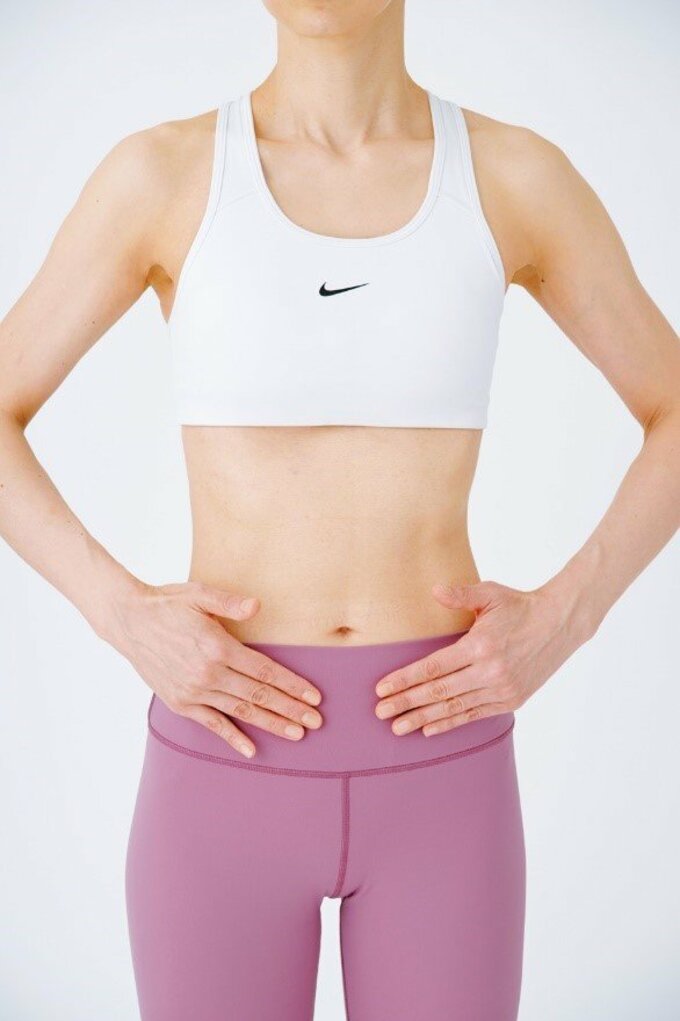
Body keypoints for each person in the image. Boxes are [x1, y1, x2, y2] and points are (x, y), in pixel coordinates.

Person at [1, 2, 678, 1019]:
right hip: (224, 754)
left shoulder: (511, 176)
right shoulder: (165, 174)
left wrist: (566, 615)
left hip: (440, 764)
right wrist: (120, 611)